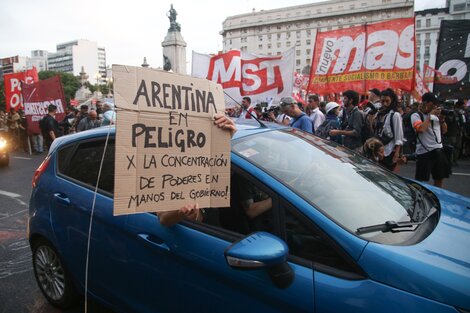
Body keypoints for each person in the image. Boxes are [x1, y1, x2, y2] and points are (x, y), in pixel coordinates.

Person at [158, 115, 237, 227]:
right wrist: (181, 213)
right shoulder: (168, 170)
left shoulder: (206, 161)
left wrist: (227, 134)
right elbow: (163, 218)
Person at [411, 92, 449, 188]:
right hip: (424, 152)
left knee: (439, 178)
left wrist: (442, 120)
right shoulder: (416, 115)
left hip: (438, 150)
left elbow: (444, 131)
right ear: (426, 103)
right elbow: (421, 129)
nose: (436, 106)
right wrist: (430, 116)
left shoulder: (436, 115)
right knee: (421, 181)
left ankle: (438, 197)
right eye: (434, 103)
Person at [373, 88, 404, 171]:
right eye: (382, 101)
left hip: (389, 152)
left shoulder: (395, 115)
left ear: (392, 101)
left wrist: (396, 154)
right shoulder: (379, 114)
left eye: (387, 101)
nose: (385, 104)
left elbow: (399, 137)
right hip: (378, 151)